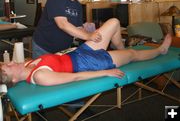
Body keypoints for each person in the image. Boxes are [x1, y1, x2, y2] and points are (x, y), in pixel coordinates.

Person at [0, 18, 172, 86]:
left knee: (114, 22)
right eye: (8, 67)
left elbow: (58, 58)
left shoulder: (28, 63)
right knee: (133, 55)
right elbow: (76, 77)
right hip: (90, 64)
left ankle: (121, 48)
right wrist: (107, 72)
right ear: (14, 79)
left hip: (80, 52)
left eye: (5, 63)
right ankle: (161, 50)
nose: (9, 62)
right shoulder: (40, 77)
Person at [32, 0, 102, 59]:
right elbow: (62, 24)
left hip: (62, 50)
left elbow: (79, 28)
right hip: (43, 47)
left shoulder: (78, 5)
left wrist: (91, 35)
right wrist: (88, 36)